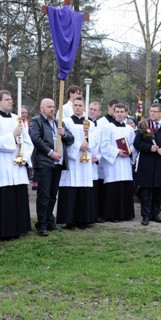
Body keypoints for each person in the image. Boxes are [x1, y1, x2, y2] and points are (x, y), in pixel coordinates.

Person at [0, 90, 34, 239]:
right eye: (7, 99)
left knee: (17, 195)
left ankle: (19, 228)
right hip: (1, 165)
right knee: (4, 198)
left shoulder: (16, 119)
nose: (10, 101)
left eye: (11, 99)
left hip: (16, 165)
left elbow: (27, 141)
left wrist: (23, 157)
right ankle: (3, 230)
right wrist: (12, 135)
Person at [29, 98, 74, 236]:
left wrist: (64, 134)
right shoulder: (36, 121)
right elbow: (36, 139)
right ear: (41, 108)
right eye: (49, 107)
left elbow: (71, 139)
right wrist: (50, 153)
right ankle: (41, 224)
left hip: (57, 164)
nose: (52, 109)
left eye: (53, 107)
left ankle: (50, 220)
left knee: (53, 194)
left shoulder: (58, 123)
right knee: (44, 195)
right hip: (44, 163)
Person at [133, 104, 161, 225]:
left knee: (158, 190)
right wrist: (149, 147)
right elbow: (136, 143)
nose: (152, 113)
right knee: (146, 190)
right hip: (146, 163)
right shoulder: (144, 125)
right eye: (151, 111)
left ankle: (155, 214)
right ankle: (145, 215)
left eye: (155, 111)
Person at [57, 97, 97, 229]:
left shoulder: (89, 123)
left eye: (80, 105)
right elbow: (65, 140)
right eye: (76, 105)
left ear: (84, 107)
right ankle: (69, 220)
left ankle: (83, 219)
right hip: (73, 159)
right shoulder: (66, 122)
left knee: (84, 187)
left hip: (85, 160)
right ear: (73, 107)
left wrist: (88, 141)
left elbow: (96, 141)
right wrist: (78, 146)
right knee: (71, 186)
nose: (78, 107)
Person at [99, 103, 136, 222]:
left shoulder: (130, 129)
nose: (120, 114)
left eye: (122, 112)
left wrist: (130, 152)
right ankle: (112, 215)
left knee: (125, 187)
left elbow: (133, 144)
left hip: (125, 164)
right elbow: (104, 145)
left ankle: (126, 214)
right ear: (114, 113)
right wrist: (117, 151)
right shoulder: (107, 128)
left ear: (126, 113)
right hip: (113, 164)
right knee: (113, 188)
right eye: (117, 112)